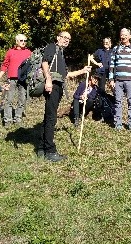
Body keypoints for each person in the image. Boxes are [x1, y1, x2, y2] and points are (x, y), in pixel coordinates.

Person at [38, 31, 91, 162]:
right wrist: (48, 80)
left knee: (48, 116)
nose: (66, 40)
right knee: (51, 118)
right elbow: (44, 62)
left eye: (68, 38)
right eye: (64, 37)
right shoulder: (52, 47)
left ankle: (41, 148)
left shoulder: (60, 53)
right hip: (53, 86)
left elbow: (66, 75)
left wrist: (83, 71)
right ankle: (50, 151)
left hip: (57, 86)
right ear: (58, 38)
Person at [0, 34, 32, 127]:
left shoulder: (28, 52)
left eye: (25, 40)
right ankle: (8, 120)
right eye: (21, 40)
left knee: (22, 99)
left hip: (23, 79)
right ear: (16, 41)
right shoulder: (10, 52)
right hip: (12, 79)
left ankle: (18, 117)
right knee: (9, 100)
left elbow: (33, 65)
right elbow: (5, 65)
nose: (23, 42)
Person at [108, 28, 131, 131]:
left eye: (126, 35)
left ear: (129, 36)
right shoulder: (115, 48)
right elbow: (112, 65)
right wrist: (111, 79)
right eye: (122, 35)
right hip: (118, 80)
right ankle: (118, 123)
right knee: (118, 101)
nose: (123, 36)